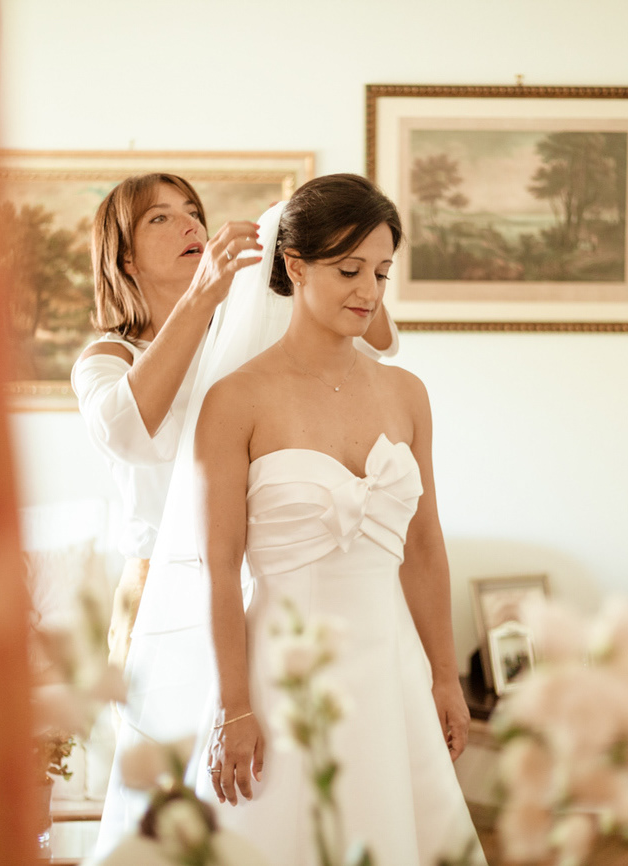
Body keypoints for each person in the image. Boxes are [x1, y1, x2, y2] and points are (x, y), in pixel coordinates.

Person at [70, 174, 398, 860]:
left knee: (259, 800)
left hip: (256, 592)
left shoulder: (244, 333)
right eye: (160, 218)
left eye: (192, 210)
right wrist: (203, 295)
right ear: (124, 255)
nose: (189, 223)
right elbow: (128, 432)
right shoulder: (108, 358)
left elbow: (380, 343)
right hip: (162, 596)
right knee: (173, 801)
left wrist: (331, 251)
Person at [193, 174, 485, 865]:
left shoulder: (407, 394)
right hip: (282, 678)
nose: (369, 292)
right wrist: (235, 706)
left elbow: (424, 545)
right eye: (349, 270)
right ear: (295, 266)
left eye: (381, 272)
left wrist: (446, 676)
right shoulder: (235, 401)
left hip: (391, 672)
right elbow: (219, 569)